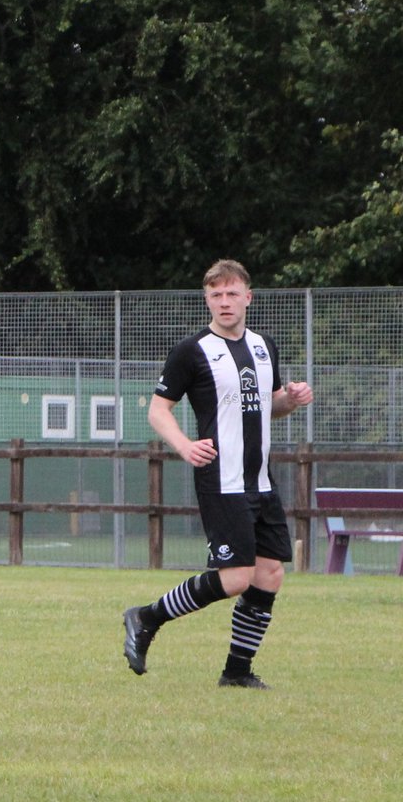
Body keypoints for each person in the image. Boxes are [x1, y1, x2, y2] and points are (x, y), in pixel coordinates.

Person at [123, 259, 314, 688]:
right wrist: (185, 445)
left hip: (260, 480)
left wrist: (293, 398)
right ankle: (146, 617)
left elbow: (270, 406)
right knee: (235, 578)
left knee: (269, 574)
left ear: (248, 297)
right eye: (216, 295)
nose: (224, 302)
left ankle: (237, 673)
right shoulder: (191, 351)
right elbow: (158, 410)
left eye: (232, 294)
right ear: (207, 299)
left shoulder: (264, 347)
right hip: (221, 479)